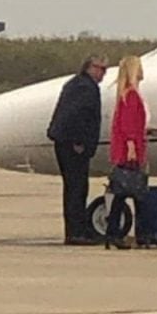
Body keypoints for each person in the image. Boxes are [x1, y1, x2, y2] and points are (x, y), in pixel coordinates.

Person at [47, 55, 108, 245]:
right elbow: (76, 115)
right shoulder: (84, 87)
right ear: (90, 67)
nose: (103, 74)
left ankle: (77, 230)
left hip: (67, 142)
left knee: (76, 187)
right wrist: (79, 141)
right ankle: (75, 233)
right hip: (72, 144)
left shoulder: (78, 84)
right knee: (76, 188)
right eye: (100, 69)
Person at [106, 55, 149, 250]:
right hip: (129, 149)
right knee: (135, 192)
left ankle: (113, 233)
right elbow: (128, 123)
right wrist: (132, 145)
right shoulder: (131, 95)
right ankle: (141, 234)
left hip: (125, 147)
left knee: (121, 193)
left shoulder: (125, 95)